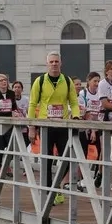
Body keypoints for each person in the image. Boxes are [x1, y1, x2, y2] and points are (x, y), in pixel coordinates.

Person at [28, 53, 81, 199]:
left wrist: (76, 115)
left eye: (56, 61)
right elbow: (32, 104)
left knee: (67, 157)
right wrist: (31, 126)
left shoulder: (67, 81)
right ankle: (47, 191)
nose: (54, 64)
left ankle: (56, 185)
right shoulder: (40, 81)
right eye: (51, 62)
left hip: (62, 124)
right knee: (47, 158)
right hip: (46, 125)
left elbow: (74, 102)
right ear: (47, 64)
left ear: (61, 63)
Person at [77, 72, 107, 189]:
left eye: (98, 81)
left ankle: (98, 174)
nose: (97, 83)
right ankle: (79, 181)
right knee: (82, 155)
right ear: (89, 81)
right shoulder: (83, 93)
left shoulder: (101, 94)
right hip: (86, 128)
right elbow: (85, 112)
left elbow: (103, 109)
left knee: (102, 153)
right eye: (95, 81)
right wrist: (91, 129)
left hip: (98, 126)